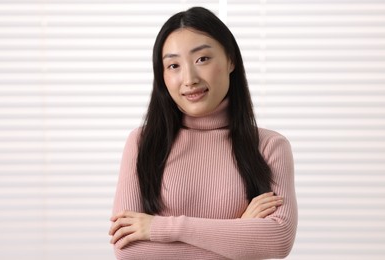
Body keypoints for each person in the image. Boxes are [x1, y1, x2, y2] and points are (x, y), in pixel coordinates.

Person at [109, 6, 297, 260]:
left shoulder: (269, 146)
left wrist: (159, 228)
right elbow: (128, 250)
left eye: (202, 59)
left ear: (230, 60)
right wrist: (240, 233)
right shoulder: (143, 143)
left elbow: (277, 240)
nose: (189, 79)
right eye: (173, 65)